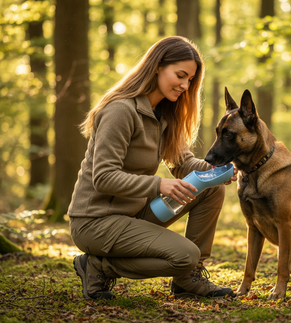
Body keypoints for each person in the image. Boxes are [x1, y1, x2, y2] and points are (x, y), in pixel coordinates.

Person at [68, 36, 236, 300]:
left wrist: (216, 171)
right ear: (158, 66)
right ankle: (98, 266)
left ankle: (187, 280)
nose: (185, 85)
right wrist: (159, 184)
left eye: (190, 80)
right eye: (180, 75)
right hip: (96, 222)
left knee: (211, 190)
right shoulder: (120, 111)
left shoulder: (165, 114)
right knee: (185, 255)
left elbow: (183, 164)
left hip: (136, 213)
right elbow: (103, 177)